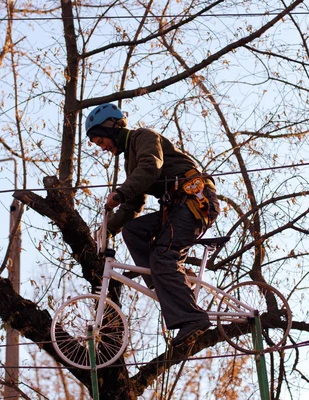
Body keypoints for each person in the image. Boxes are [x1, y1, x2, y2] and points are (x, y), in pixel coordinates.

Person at [85, 103, 220, 346]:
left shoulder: (143, 138)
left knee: (163, 257)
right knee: (133, 230)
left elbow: (151, 167)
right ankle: (164, 283)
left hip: (194, 201)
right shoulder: (130, 160)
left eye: (100, 140)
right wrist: (107, 230)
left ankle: (192, 318)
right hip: (176, 208)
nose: (102, 147)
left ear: (111, 128)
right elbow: (133, 205)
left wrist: (119, 193)